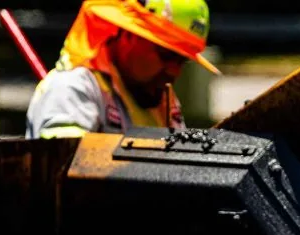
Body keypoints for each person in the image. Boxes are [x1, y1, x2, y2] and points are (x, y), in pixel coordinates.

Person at [26, 0, 219, 140]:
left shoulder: (162, 99)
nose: (174, 72)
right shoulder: (72, 89)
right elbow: (66, 176)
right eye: (166, 55)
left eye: (182, 61)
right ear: (127, 34)